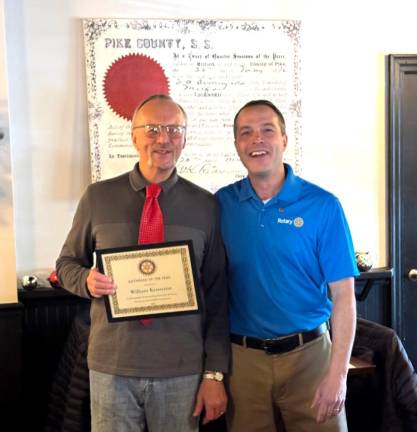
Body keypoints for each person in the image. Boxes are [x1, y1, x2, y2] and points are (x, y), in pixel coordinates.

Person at [56, 94, 229, 432]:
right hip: (112, 367)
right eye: (152, 129)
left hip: (181, 368)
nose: (163, 138)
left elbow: (218, 295)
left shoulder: (207, 205)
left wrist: (214, 373)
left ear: (185, 138)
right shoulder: (98, 198)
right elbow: (66, 264)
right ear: (133, 136)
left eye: (174, 129)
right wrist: (87, 281)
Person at [215, 100, 359, 432]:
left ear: (284, 139)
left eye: (267, 130)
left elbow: (344, 297)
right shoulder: (221, 204)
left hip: (310, 357)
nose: (257, 140)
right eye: (246, 133)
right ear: (236, 144)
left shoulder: (323, 206)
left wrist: (338, 376)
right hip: (243, 361)